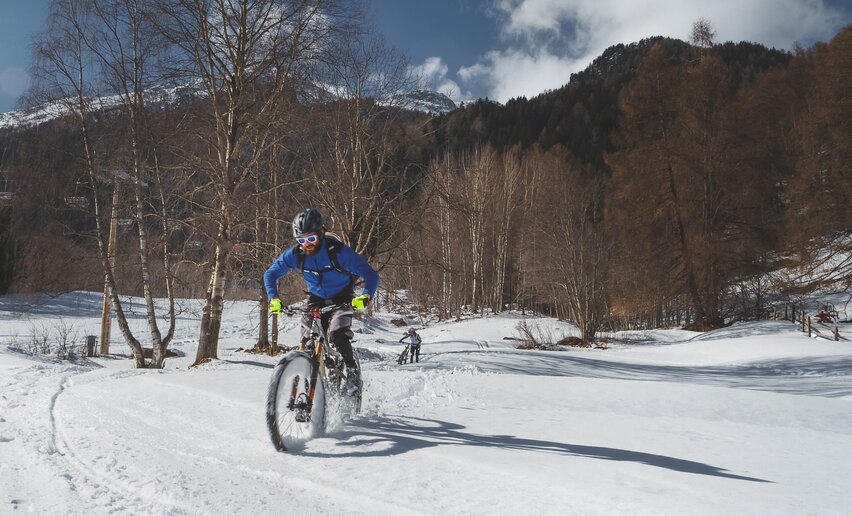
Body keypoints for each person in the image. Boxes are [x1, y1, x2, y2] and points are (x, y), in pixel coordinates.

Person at [264, 208, 378, 395]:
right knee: (306, 341)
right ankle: (312, 387)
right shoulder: (296, 255)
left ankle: (352, 372)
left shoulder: (339, 253)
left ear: (321, 233)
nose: (306, 245)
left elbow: (370, 274)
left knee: (337, 335)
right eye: (301, 240)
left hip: (342, 298)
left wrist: (365, 296)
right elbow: (271, 273)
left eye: (311, 239)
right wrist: (273, 298)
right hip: (315, 300)